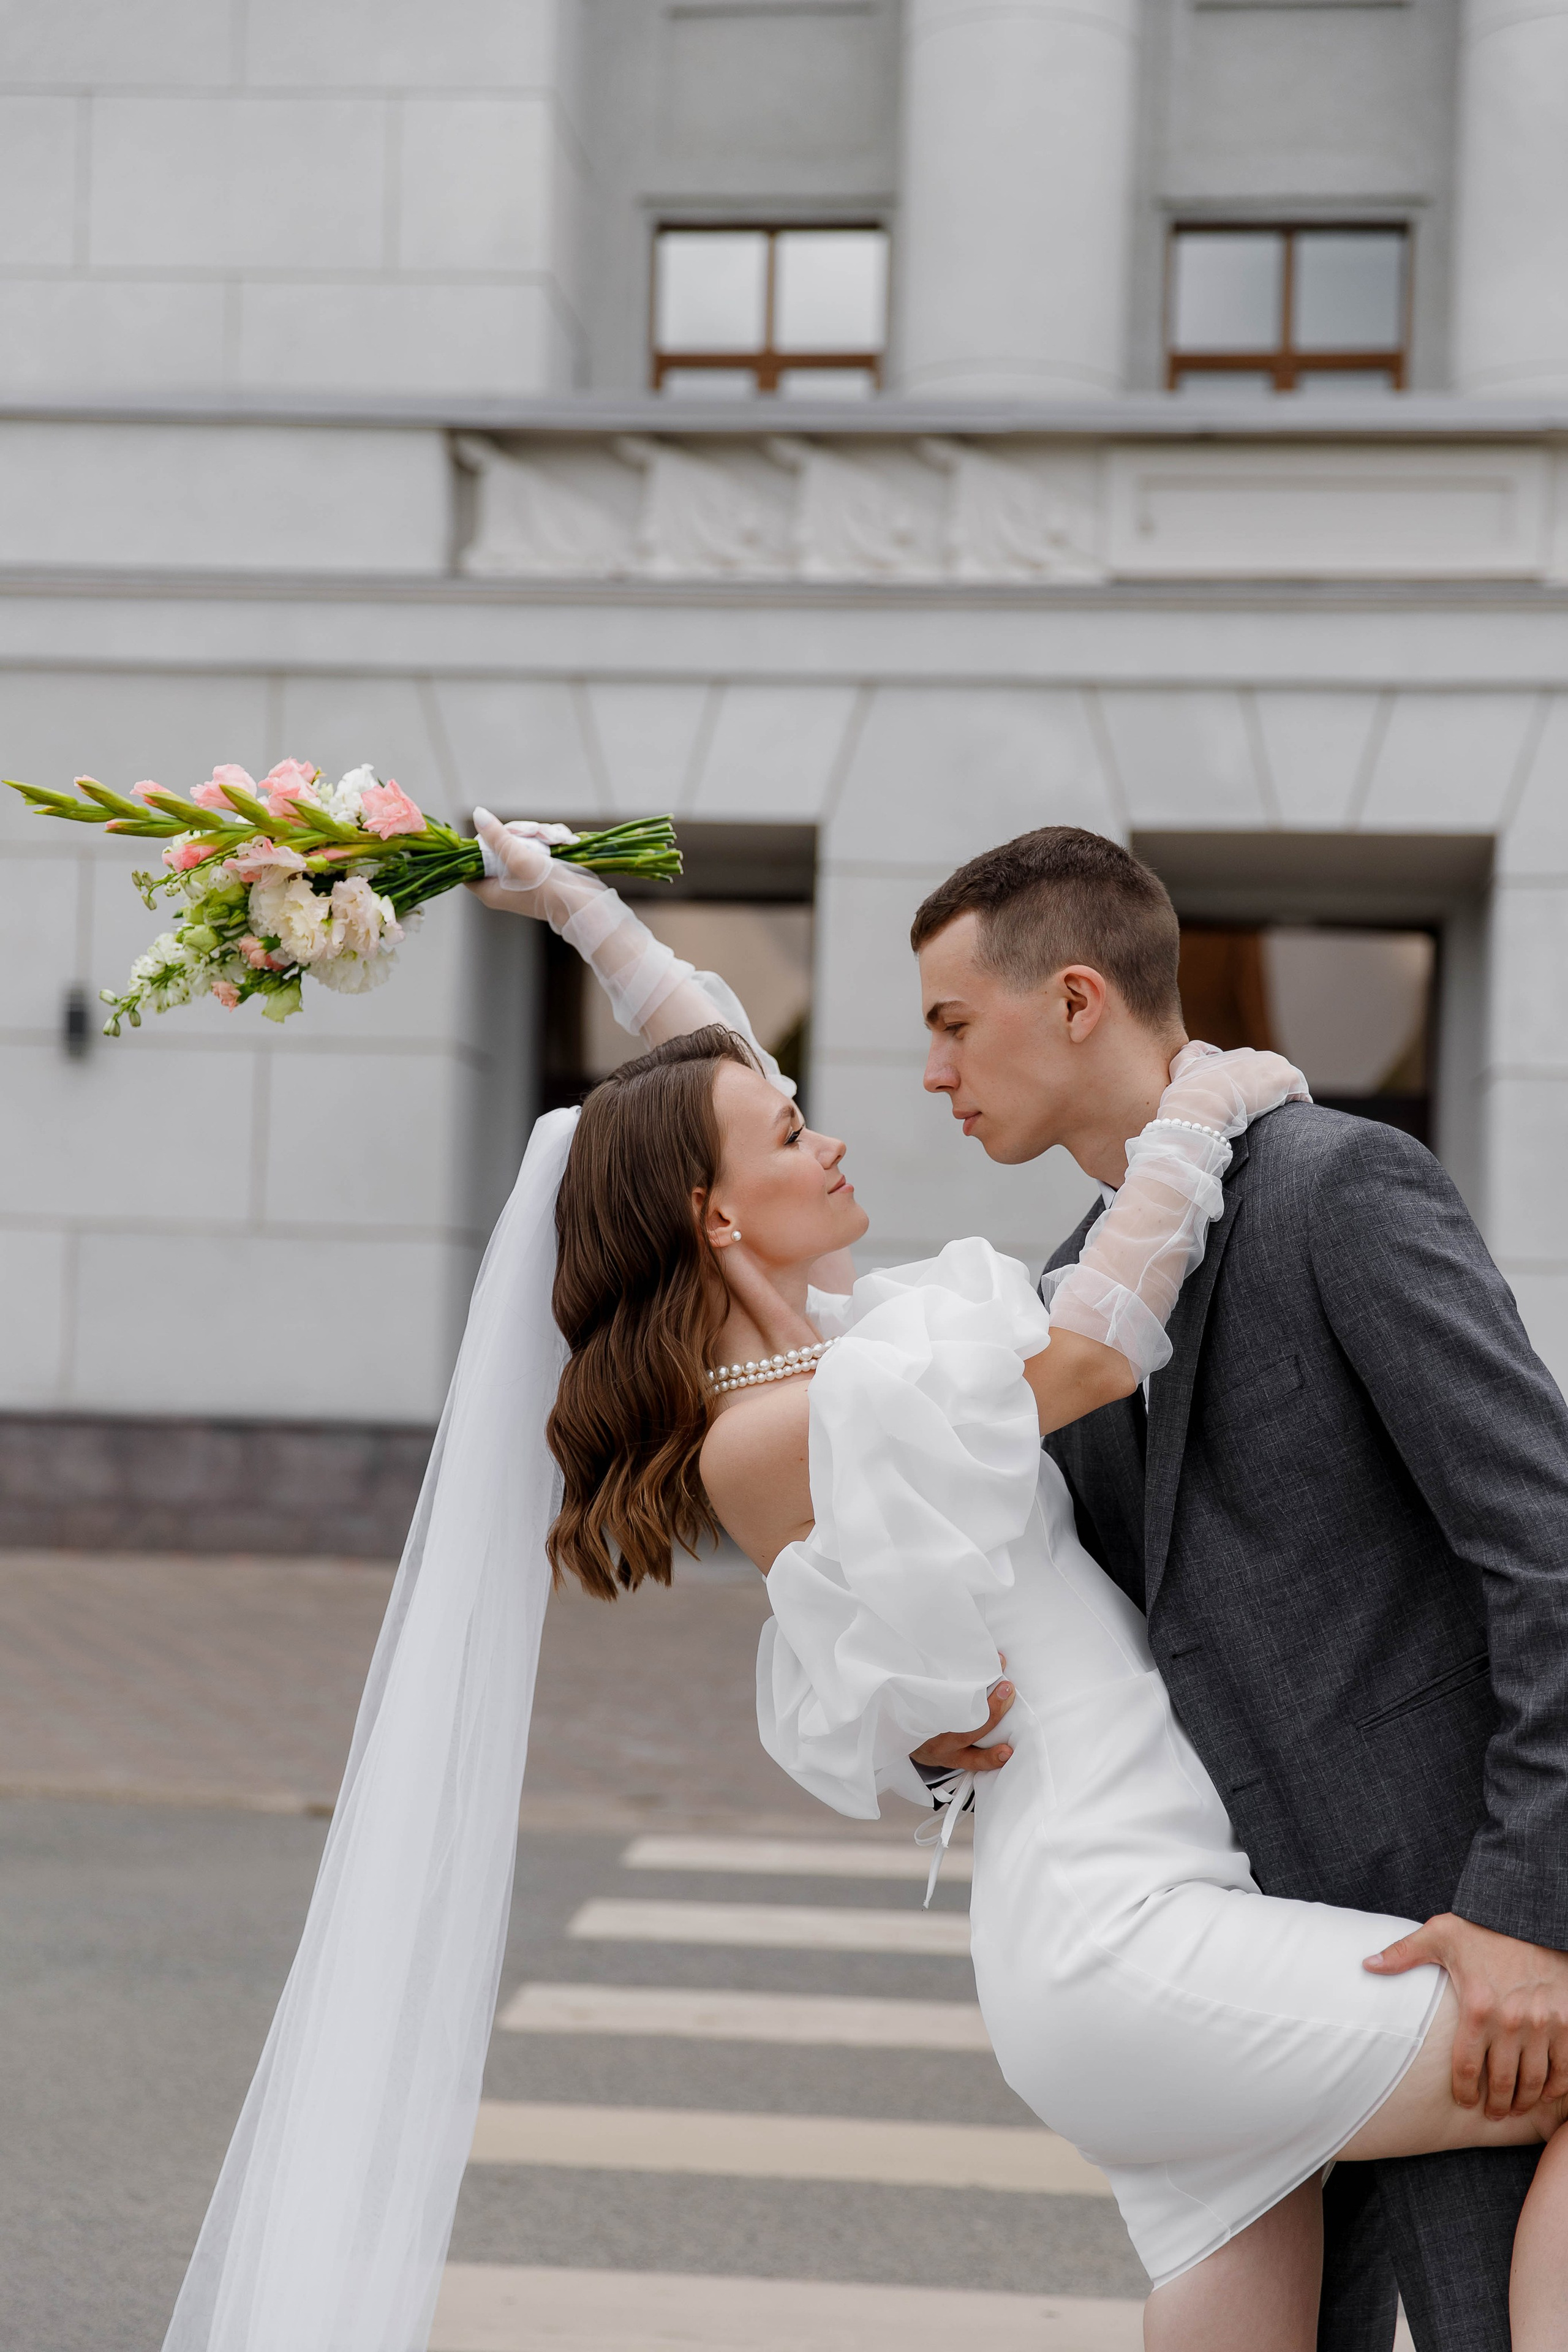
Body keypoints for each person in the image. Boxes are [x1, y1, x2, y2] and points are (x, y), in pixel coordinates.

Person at [462, 819, 1568, 2350]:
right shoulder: (814, 1412)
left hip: (1182, 1897)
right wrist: (1218, 1094)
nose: (852, 1116)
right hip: (1124, 1934)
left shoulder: (867, 1350)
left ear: (1067, 999)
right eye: (790, 1139)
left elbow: (718, 1099)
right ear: (721, 1217)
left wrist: (595, 925)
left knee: (1253, 2277)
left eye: (940, 1026)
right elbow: (1097, 1349)